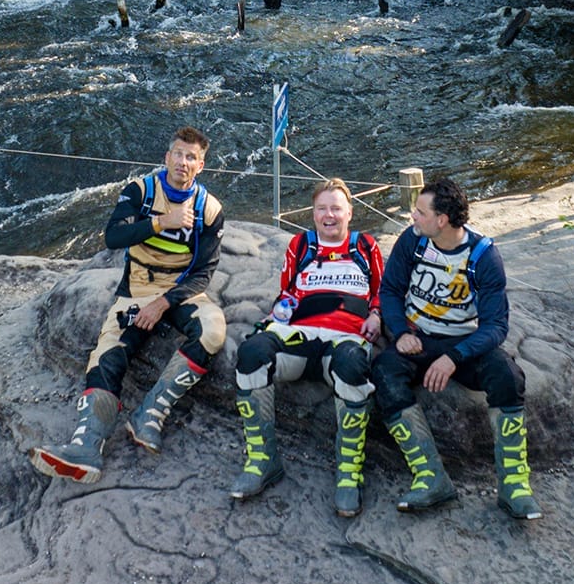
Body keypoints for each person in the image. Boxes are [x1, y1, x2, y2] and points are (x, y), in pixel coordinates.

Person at [30, 127, 227, 482]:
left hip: (181, 291)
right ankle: (87, 445)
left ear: (201, 165)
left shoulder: (210, 210)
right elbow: (114, 236)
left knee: (213, 330)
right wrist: (159, 223)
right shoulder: (140, 191)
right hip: (135, 289)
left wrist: (163, 304)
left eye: (191, 157)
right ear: (167, 157)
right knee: (107, 356)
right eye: (178, 154)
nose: (183, 162)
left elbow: (203, 273)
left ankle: (149, 413)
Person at [370, 177, 541, 521]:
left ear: (442, 220)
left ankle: (514, 485)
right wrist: (401, 332)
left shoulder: (483, 255)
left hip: (463, 343)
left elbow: (496, 327)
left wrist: (454, 357)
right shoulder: (413, 242)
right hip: (417, 339)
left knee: (507, 375)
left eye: (419, 212)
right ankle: (431, 477)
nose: (412, 217)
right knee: (384, 373)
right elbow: (390, 290)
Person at [229, 179, 385, 516]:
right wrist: (279, 312)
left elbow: (381, 292)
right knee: (251, 354)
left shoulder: (365, 247)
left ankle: (348, 472)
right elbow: (286, 290)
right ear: (313, 213)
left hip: (345, 338)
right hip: (297, 336)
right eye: (321, 209)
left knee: (351, 366)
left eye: (336, 208)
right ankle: (262, 460)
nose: (329, 215)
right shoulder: (301, 246)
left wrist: (376, 314)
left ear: (349, 213)